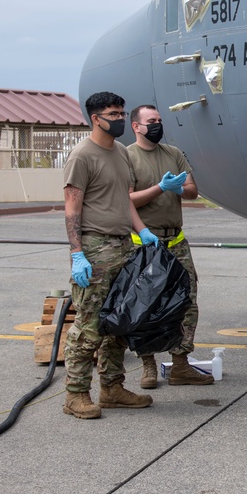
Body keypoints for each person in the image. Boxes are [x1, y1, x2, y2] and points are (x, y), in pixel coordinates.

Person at [62, 91, 160, 419]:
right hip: (95, 247)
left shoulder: (120, 152)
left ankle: (112, 388)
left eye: (121, 113)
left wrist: (142, 230)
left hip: (123, 245)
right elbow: (72, 208)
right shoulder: (82, 155)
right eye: (113, 114)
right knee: (89, 325)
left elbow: (124, 199)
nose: (119, 118)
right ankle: (75, 395)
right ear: (96, 118)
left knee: (121, 323)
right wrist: (78, 253)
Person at [126, 104, 213, 389]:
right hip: (144, 243)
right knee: (144, 305)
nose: (157, 125)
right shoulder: (126, 157)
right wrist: (159, 189)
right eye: (151, 121)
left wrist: (178, 188)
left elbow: (193, 190)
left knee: (187, 302)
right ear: (136, 126)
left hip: (175, 241)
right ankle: (148, 365)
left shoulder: (173, 154)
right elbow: (125, 200)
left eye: (160, 120)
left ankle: (180, 364)